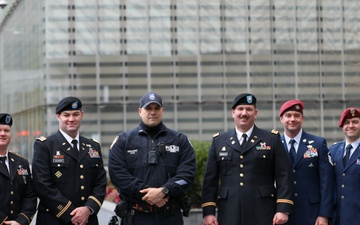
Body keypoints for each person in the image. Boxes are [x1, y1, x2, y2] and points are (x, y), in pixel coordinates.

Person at [201, 93, 294, 225]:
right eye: (240, 109)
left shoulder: (271, 139)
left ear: (255, 114)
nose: (244, 113)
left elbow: (284, 175)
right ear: (233, 113)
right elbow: (210, 180)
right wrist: (208, 212)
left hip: (263, 211)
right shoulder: (219, 141)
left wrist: (283, 209)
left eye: (249, 109)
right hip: (229, 211)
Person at [108, 92, 196, 225]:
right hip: (136, 217)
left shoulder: (180, 140)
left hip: (170, 217)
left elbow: (187, 174)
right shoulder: (124, 141)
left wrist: (164, 191)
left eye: (156, 108)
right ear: (139, 111)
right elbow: (118, 175)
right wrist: (150, 195)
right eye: (148, 108)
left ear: (162, 111)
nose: (152, 112)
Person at [32, 97, 107, 225]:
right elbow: (42, 184)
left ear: (82, 115)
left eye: (75, 114)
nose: (71, 119)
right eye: (66, 115)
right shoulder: (45, 146)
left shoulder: (93, 146)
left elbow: (100, 183)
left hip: (87, 219)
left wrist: (88, 209)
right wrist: (70, 213)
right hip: (54, 219)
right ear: (58, 117)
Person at [279, 100, 334, 225]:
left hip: (312, 214)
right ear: (281, 119)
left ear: (302, 118)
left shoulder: (318, 144)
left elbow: (326, 181)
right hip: (283, 213)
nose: (292, 119)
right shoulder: (275, 144)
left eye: (297, 115)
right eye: (288, 115)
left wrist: (324, 214)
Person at [0, 113, 37, 225]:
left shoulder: (21, 162)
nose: (2, 134)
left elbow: (30, 196)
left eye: (6, 130)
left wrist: (21, 221)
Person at [329, 107, 360, 225]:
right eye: (346, 123)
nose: (351, 126)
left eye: (355, 122)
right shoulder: (333, 150)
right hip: (337, 216)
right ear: (342, 126)